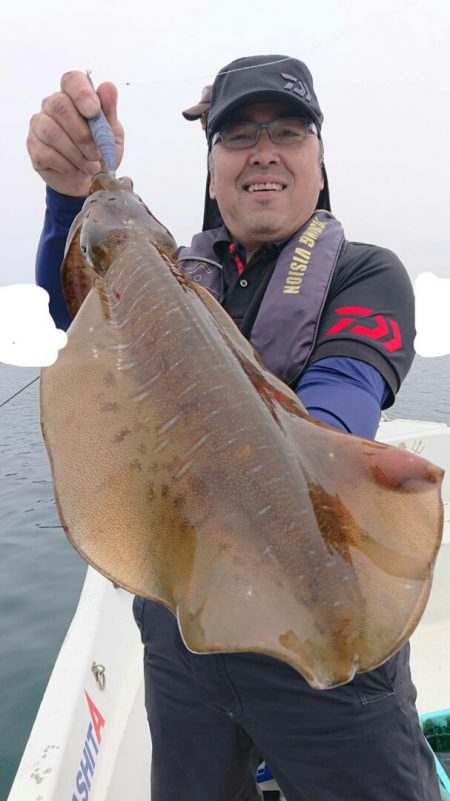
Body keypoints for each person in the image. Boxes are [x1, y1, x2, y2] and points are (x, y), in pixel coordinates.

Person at [28, 55, 441, 801]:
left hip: (323, 619)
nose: (263, 151)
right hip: (181, 639)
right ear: (214, 169)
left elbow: (338, 408)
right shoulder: (179, 271)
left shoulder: (367, 273)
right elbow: (80, 314)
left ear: (318, 163)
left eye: (288, 131)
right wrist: (72, 196)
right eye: (236, 136)